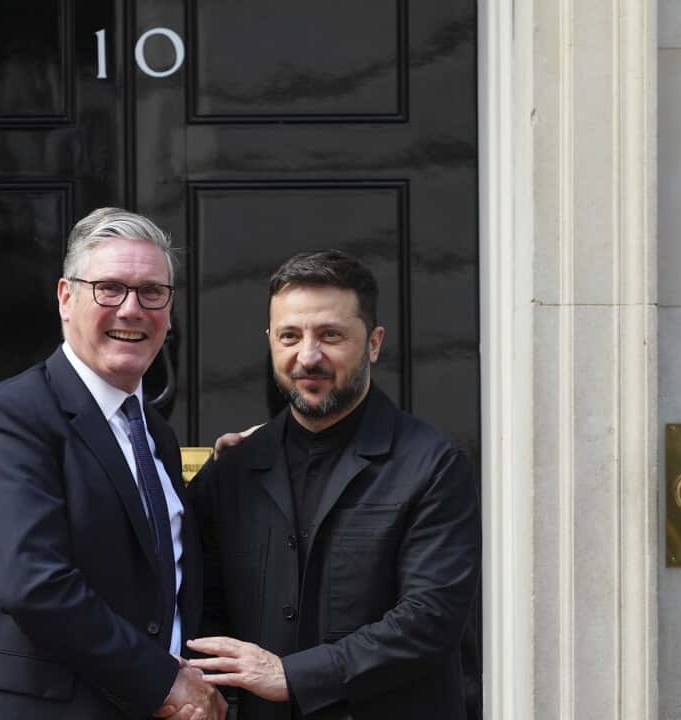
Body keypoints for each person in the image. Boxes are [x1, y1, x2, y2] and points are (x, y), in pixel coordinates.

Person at [0, 208, 226, 720]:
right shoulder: (12, 419)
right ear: (66, 298)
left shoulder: (152, 430)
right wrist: (162, 682)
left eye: (152, 292)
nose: (132, 309)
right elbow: (36, 584)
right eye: (109, 288)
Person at [186, 250, 480, 720]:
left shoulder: (434, 465)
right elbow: (193, 599)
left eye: (330, 335)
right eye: (289, 336)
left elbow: (430, 619)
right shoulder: (232, 470)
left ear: (374, 343)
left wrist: (293, 676)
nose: (308, 356)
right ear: (270, 342)